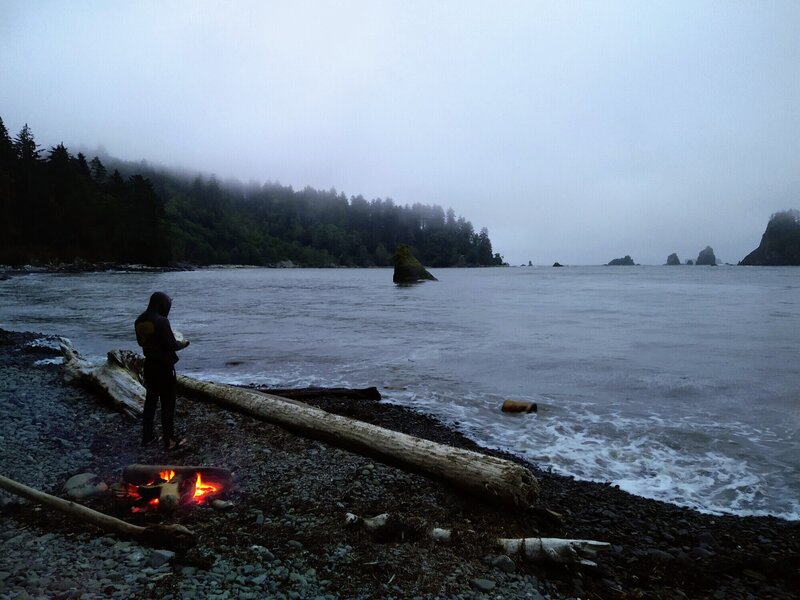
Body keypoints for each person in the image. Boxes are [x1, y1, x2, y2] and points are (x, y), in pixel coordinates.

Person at [135, 291, 190, 451]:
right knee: (168, 403)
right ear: (162, 304)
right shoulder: (162, 321)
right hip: (164, 367)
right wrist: (184, 343)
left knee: (150, 401)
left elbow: (140, 343)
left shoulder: (139, 320)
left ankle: (148, 437)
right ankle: (170, 440)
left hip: (149, 365)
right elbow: (172, 345)